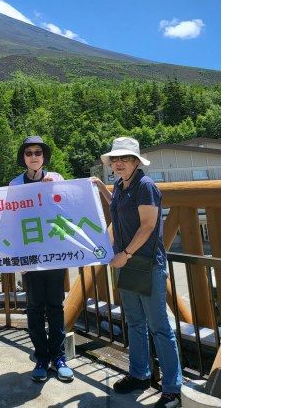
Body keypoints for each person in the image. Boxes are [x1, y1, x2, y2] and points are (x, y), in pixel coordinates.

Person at [92, 137, 183, 408]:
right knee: (134, 322)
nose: (118, 163)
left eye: (125, 159)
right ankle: (139, 374)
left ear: (135, 161)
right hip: (127, 264)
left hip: (146, 264)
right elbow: (118, 207)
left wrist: (125, 254)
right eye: (115, 159)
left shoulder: (145, 186)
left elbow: (147, 225)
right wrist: (100, 186)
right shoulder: (121, 185)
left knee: (160, 327)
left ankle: (172, 388)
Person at [7, 135, 75, 384]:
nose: (34, 156)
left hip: (54, 253)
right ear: (23, 158)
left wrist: (54, 190)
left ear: (44, 156)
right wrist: (17, 257)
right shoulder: (15, 185)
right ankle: (41, 357)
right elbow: (10, 220)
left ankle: (59, 358)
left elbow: (68, 209)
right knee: (34, 307)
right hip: (30, 255)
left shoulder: (56, 178)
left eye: (38, 152)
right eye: (29, 153)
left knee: (56, 306)